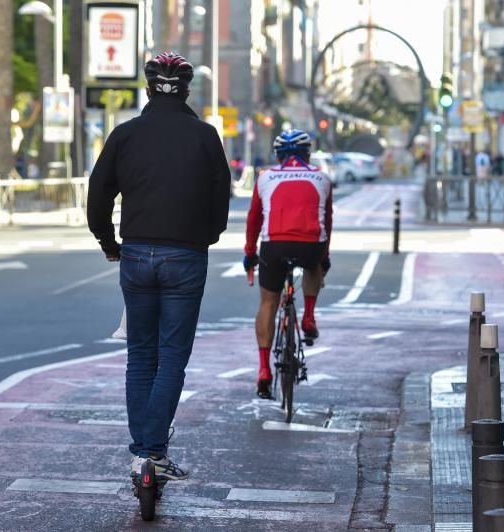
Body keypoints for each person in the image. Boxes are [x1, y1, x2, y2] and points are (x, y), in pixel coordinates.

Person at [87, 52, 230, 481]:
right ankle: (152, 451)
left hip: (135, 255)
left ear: (148, 88)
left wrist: (109, 242)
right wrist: (205, 236)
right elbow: (220, 201)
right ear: (187, 90)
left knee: (139, 357)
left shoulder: (125, 134)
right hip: (185, 256)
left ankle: (141, 453)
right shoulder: (205, 136)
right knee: (171, 359)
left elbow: (98, 196)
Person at [243, 130, 333, 400]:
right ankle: (308, 316)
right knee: (314, 265)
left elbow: (253, 220)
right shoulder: (323, 177)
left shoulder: (265, 177)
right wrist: (324, 256)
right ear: (307, 154)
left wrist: (250, 253)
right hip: (310, 244)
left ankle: (263, 371)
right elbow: (327, 223)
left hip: (274, 244)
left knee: (268, 302)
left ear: (278, 155)